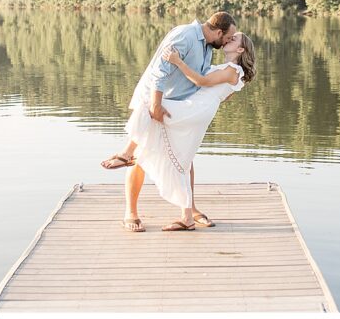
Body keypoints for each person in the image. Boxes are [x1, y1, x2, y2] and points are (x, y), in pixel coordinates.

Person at [99, 12, 237, 231]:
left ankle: (189, 209)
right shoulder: (185, 35)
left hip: (177, 105)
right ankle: (131, 213)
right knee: (141, 155)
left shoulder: (208, 47)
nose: (228, 41)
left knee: (185, 156)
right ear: (219, 32)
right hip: (157, 100)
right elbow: (159, 71)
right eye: (228, 37)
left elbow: (199, 79)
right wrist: (155, 104)